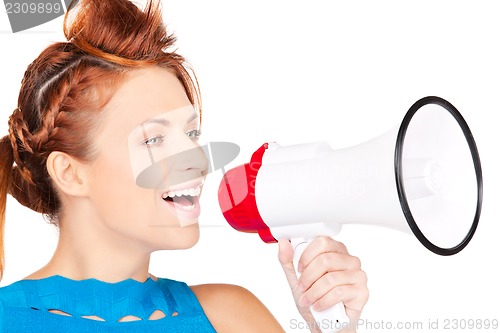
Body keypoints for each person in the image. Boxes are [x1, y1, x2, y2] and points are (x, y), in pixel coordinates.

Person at [0, 0, 368, 332]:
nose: (196, 160)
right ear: (70, 173)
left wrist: (334, 327)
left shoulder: (231, 318)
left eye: (192, 133)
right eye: (153, 139)